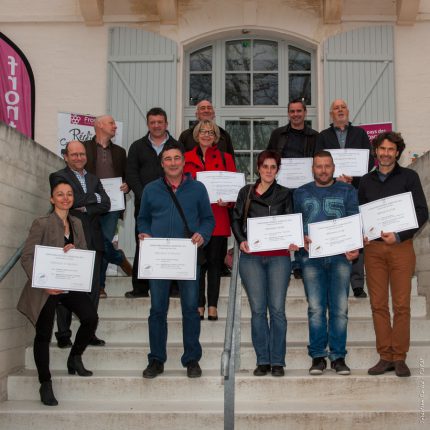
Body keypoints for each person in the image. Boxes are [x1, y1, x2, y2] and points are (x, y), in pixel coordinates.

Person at [17, 180, 98, 406]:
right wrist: (43, 283)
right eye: (60, 194)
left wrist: (75, 251)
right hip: (47, 287)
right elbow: (27, 257)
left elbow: (82, 254)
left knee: (90, 318)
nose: (65, 198)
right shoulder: (41, 223)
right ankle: (45, 383)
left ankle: (74, 357)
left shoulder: (77, 223)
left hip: (69, 284)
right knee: (43, 334)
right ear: (52, 199)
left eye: (69, 194)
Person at [138, 142, 215, 379]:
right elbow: (142, 218)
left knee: (191, 309)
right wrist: (144, 232)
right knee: (157, 310)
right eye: (168, 159)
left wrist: (203, 234)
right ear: (162, 164)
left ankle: (191, 359)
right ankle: (156, 359)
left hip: (187, 256)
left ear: (184, 162)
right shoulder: (151, 189)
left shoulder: (198, 188)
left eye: (177, 158)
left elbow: (208, 219)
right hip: (159, 257)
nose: (173, 163)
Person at [358, 131, 428, 377]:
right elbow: (360, 215)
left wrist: (398, 235)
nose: (386, 153)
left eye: (391, 149)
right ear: (376, 151)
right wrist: (362, 233)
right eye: (382, 149)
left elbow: (422, 213)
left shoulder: (409, 177)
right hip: (374, 249)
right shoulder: (365, 182)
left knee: (401, 305)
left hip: (401, 248)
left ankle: (399, 357)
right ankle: (385, 356)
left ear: (397, 152)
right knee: (378, 304)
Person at [231, 150, 296, 377]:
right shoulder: (246, 192)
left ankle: (277, 361)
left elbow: (291, 221)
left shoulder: (286, 194)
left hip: (279, 257)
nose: (269, 170)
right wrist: (241, 241)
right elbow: (236, 219)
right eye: (265, 166)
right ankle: (263, 360)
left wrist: (293, 241)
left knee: (277, 309)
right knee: (258, 310)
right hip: (252, 258)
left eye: (273, 167)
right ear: (258, 168)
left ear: (277, 170)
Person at [294, 150, 359, 376]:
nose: (323, 170)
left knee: (340, 308)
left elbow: (354, 219)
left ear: (333, 166)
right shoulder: (301, 192)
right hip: (311, 258)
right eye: (318, 166)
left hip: (340, 257)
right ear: (313, 168)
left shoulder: (347, 190)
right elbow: (295, 223)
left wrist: (355, 246)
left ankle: (338, 356)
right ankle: (318, 356)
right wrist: (299, 237)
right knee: (316, 308)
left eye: (327, 166)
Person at [49, 140, 110, 347]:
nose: (79, 158)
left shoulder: (93, 178)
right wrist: (92, 198)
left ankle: (89, 332)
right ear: (66, 157)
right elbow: (69, 201)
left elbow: (107, 203)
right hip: (69, 238)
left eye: (82, 154)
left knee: (92, 289)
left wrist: (86, 206)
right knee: (67, 288)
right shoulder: (58, 176)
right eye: (74, 155)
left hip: (93, 239)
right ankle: (64, 334)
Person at [316, 99, 374, 298]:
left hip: (354, 190)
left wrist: (353, 177)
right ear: (331, 114)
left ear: (348, 111)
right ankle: (330, 275)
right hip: (329, 191)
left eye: (343, 107)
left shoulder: (360, 134)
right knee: (333, 232)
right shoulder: (323, 136)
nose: (340, 110)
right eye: (336, 108)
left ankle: (357, 283)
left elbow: (370, 158)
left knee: (355, 232)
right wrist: (334, 177)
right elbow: (317, 160)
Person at [184, 119, 236, 320]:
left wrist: (228, 201)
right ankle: (199, 304)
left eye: (211, 132)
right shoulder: (185, 158)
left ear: (216, 137)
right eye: (203, 131)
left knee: (215, 263)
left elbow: (234, 190)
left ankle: (213, 305)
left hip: (218, 218)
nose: (207, 135)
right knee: (198, 264)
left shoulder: (226, 158)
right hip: (193, 220)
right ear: (197, 135)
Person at [126, 107, 180, 298]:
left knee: (172, 244)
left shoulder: (176, 145)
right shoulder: (137, 146)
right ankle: (140, 288)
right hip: (144, 205)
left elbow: (182, 172)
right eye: (152, 122)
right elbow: (131, 173)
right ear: (148, 124)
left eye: (160, 122)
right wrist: (143, 195)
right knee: (143, 243)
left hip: (172, 205)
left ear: (166, 124)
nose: (156, 125)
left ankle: (174, 287)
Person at [267, 98, 319, 279]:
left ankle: (299, 263)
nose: (295, 114)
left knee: (304, 223)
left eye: (299, 111)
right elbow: (269, 157)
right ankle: (280, 262)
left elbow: (319, 161)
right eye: (292, 111)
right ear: (288, 113)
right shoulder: (277, 134)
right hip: (281, 187)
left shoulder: (315, 136)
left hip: (306, 187)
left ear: (305, 113)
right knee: (282, 224)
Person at [84, 115, 132, 298]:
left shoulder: (120, 151)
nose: (115, 126)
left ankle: (99, 286)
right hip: (90, 203)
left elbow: (127, 175)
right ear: (99, 125)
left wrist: (127, 185)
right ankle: (119, 258)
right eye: (111, 123)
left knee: (102, 240)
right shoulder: (85, 148)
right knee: (96, 243)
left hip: (113, 205)